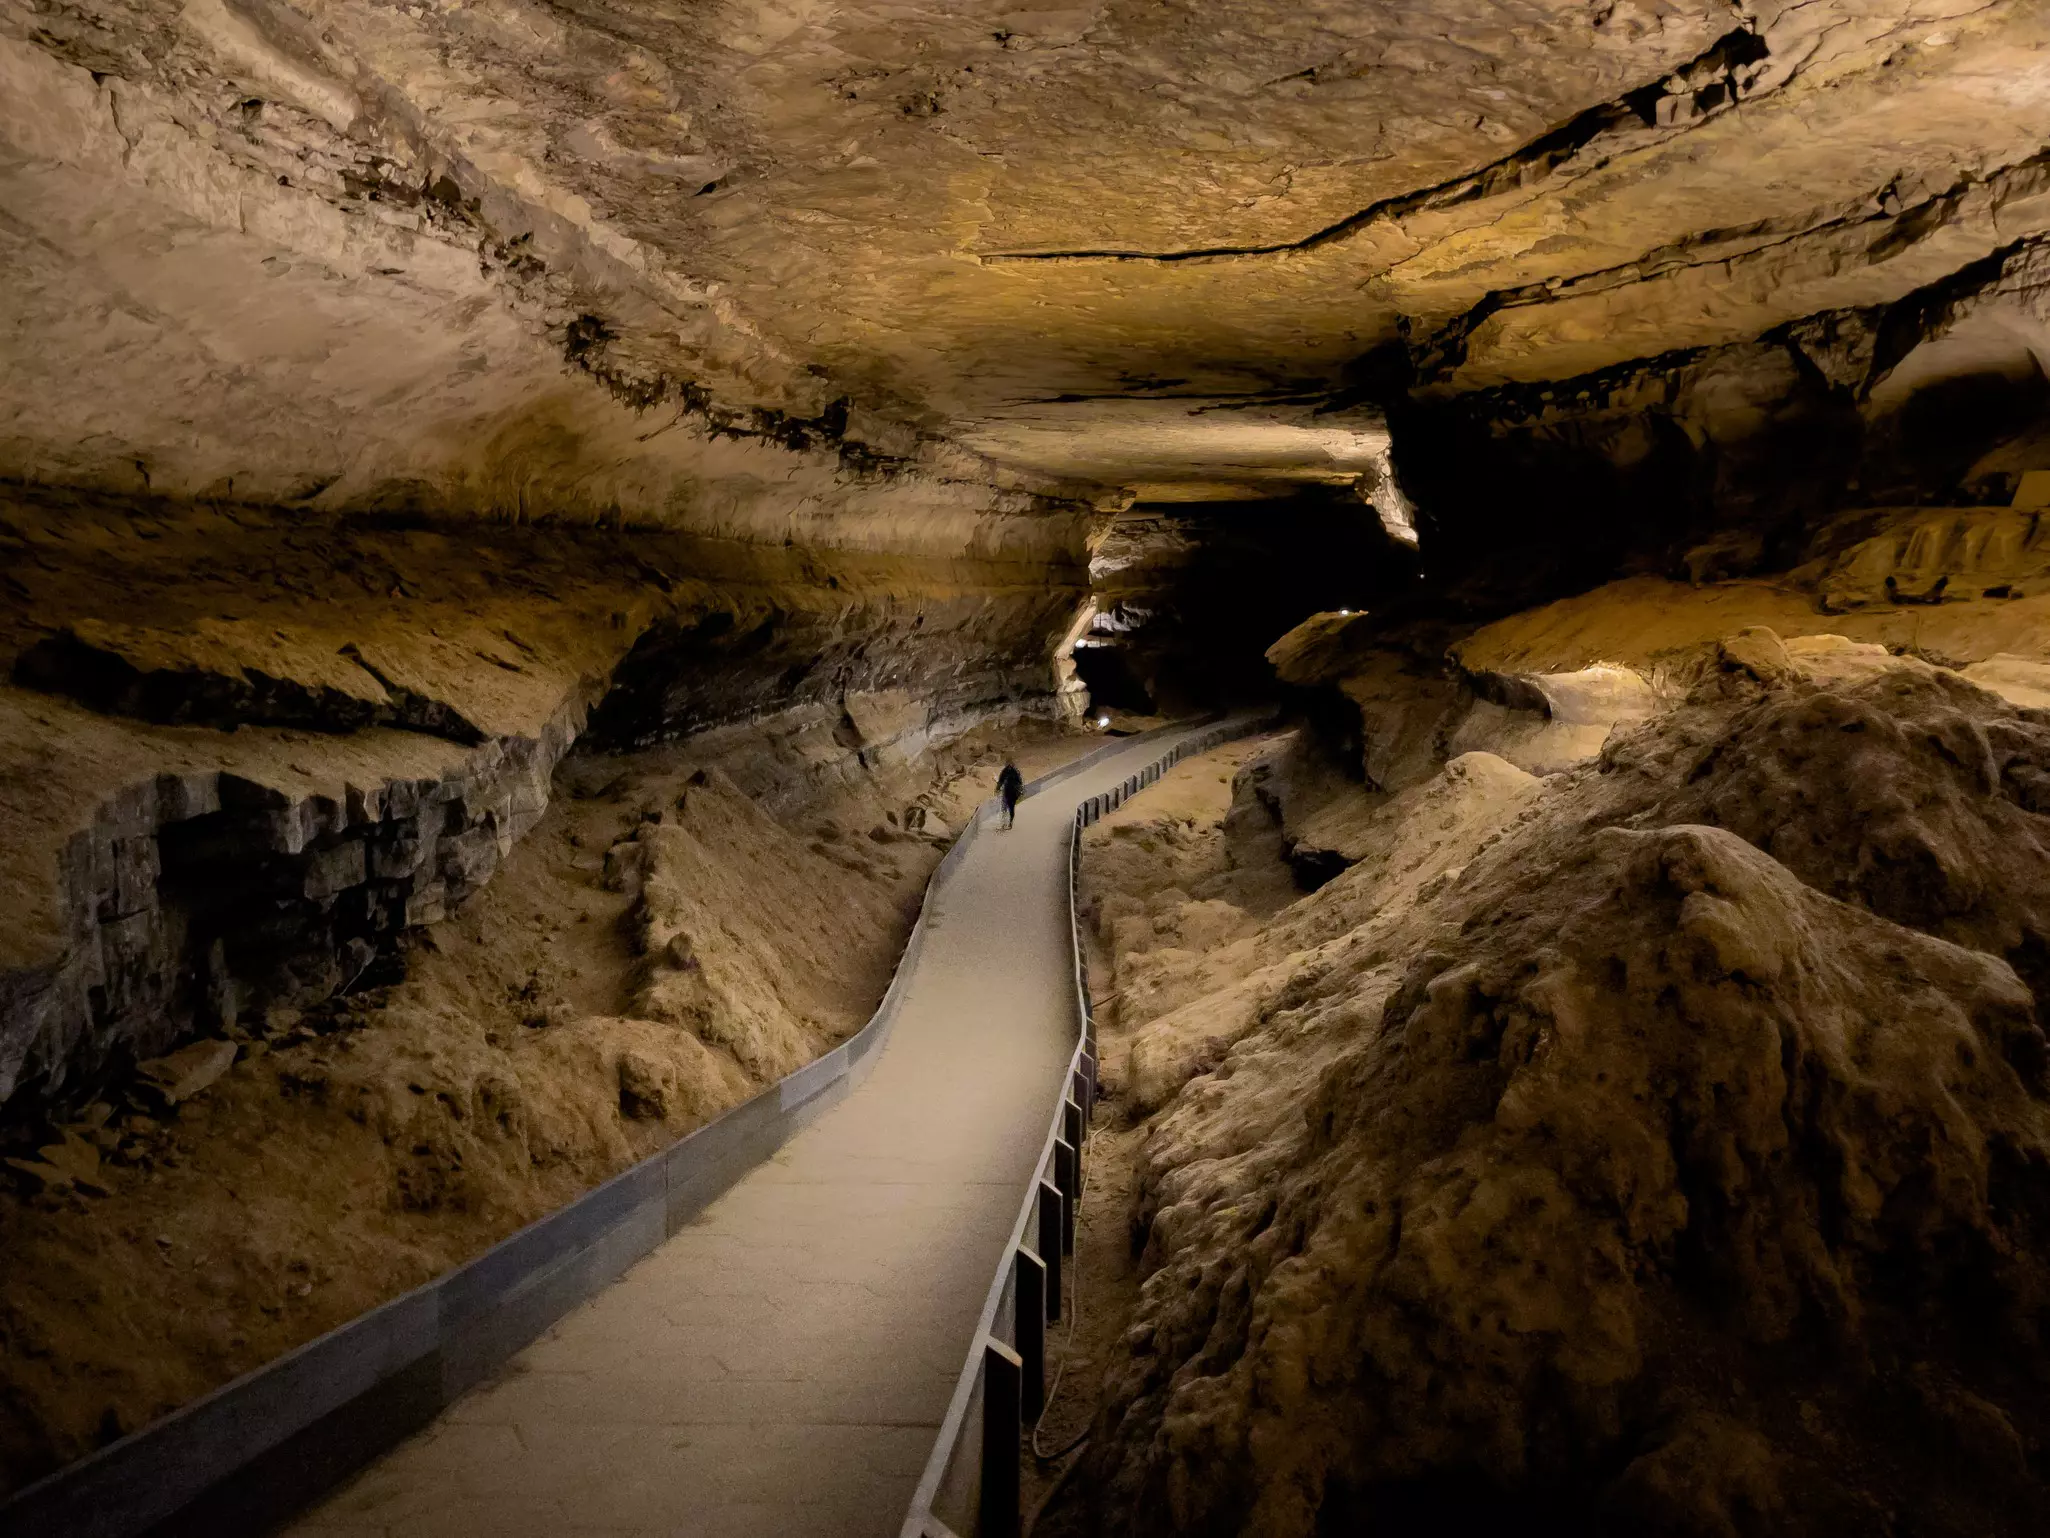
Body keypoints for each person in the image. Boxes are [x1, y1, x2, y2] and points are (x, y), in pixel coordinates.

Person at [996, 760, 1023, 829]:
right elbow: (1020, 782)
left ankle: (1006, 823)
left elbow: (1001, 780)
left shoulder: (1009, 771)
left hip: (1010, 792)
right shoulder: (1014, 771)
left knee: (1007, 807)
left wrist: (998, 788)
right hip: (1011, 791)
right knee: (1009, 807)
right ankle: (1007, 823)